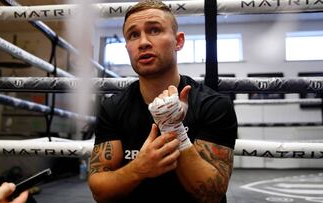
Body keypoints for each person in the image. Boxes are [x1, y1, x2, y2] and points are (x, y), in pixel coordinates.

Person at [88, 0, 238, 202]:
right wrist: (138, 169)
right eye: (133, 35)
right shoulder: (112, 107)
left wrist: (172, 128)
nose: (143, 42)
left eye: (155, 30)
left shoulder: (213, 105)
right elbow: (99, 191)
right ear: (128, 48)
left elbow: (211, 193)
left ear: (179, 41)